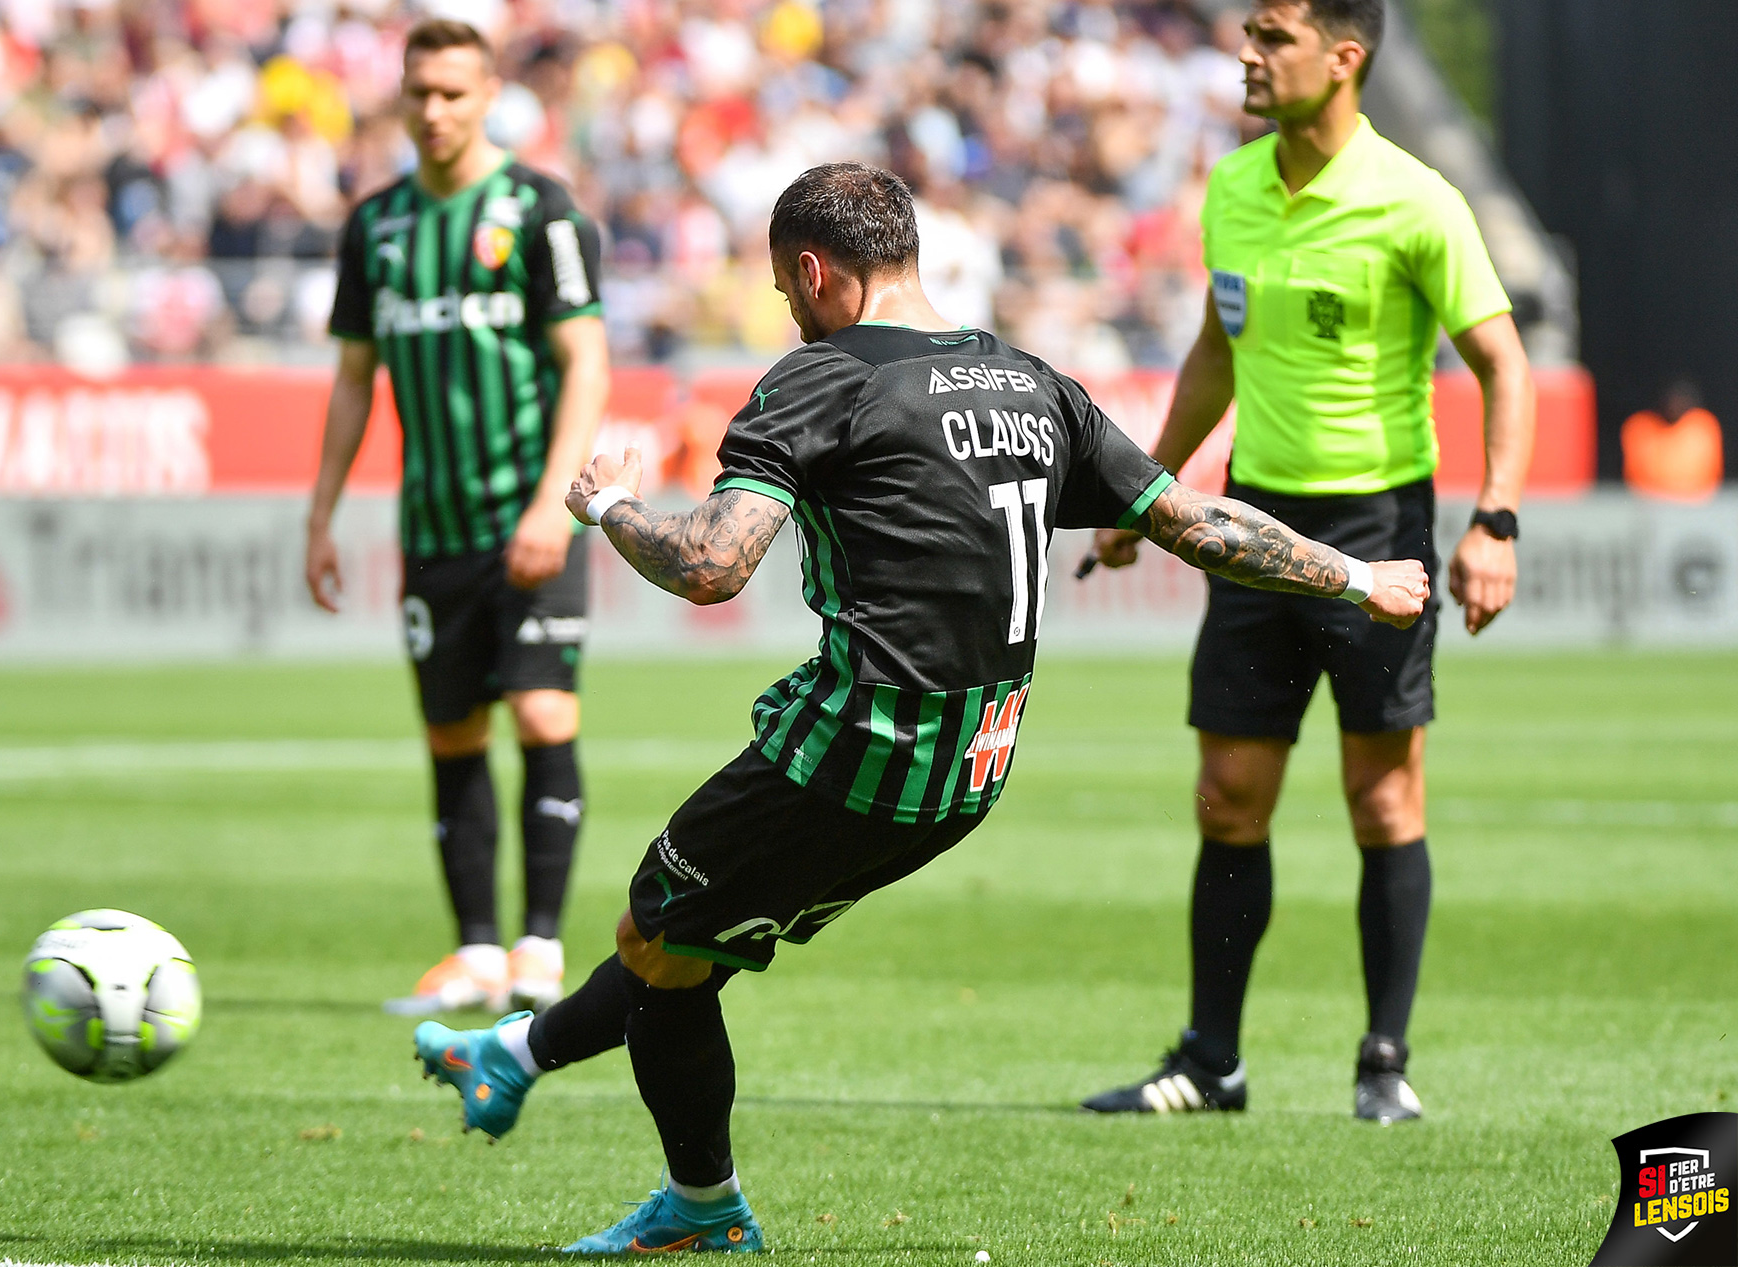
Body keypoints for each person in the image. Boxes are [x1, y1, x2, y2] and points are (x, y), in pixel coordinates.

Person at [409, 162, 1429, 1254]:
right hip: (965, 778)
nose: (789, 313)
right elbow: (1193, 522)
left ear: (814, 271)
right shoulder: (1031, 383)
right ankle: (515, 1057)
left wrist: (608, 506)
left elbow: (712, 566)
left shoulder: (820, 380)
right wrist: (1353, 576)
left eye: (784, 289)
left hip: (850, 751)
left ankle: (701, 1207)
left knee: (657, 930)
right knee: (676, 937)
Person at [1078, 0, 1534, 1123]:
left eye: (1272, 36)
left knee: (1381, 799)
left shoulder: (1416, 199)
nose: (1246, 53)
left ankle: (1382, 1061)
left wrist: (1495, 520)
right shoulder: (1231, 190)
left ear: (1344, 57)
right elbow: (1212, 352)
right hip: (1251, 523)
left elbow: (1502, 361)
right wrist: (1150, 488)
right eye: (1246, 32)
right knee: (1227, 795)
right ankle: (1209, 1061)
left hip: (1379, 527)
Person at [304, 18, 610, 1017]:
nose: (434, 111)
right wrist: (320, 514)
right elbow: (354, 378)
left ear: (487, 99)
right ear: (400, 97)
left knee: (541, 711)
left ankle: (540, 949)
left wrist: (553, 507)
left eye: (453, 93)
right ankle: (476, 954)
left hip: (528, 517)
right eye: (419, 93)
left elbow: (585, 363)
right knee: (450, 734)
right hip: (432, 527)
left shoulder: (537, 213)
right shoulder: (377, 227)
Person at [1622, 382, 1723, 503]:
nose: (1675, 406)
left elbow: (1708, 475)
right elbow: (1636, 475)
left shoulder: (1702, 426)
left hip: (1696, 504)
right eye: (1672, 402)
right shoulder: (1641, 427)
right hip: (1650, 504)